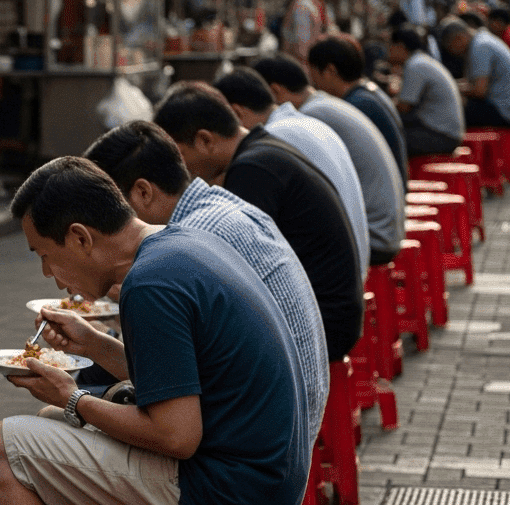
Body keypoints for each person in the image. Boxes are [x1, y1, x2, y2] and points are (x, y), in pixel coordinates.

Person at [0, 156, 308, 505]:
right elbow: (177, 378)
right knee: (51, 423)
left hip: (230, 493)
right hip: (269, 481)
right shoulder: (182, 243)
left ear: (80, 237)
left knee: (3, 447)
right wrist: (95, 344)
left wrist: (73, 397)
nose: (49, 274)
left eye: (45, 254)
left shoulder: (150, 283)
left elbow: (176, 435)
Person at [83, 121, 329, 450]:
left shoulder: (190, 239)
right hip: (285, 418)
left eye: (109, 212)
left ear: (143, 192)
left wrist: (73, 400)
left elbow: (178, 420)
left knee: (61, 419)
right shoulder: (218, 206)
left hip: (258, 444)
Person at [153, 81, 365, 364]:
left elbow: (231, 268)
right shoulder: (263, 150)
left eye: (180, 156)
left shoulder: (252, 170)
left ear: (205, 140)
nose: (182, 169)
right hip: (333, 314)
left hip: (325, 327)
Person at [253, 54, 407, 266]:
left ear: (275, 91)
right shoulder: (324, 104)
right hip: (387, 228)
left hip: (375, 237)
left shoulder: (310, 116)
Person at [214, 67, 370, 267]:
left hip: (335, 278)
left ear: (236, 112)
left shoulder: (272, 139)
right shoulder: (303, 123)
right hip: (354, 264)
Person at [306, 36, 410, 185]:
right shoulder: (370, 93)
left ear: (330, 71)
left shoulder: (355, 106)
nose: (314, 84)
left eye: (314, 75)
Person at [388, 24, 467, 154]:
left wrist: (383, 104)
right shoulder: (421, 61)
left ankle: (402, 175)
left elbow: (403, 107)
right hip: (446, 132)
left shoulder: (415, 65)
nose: (388, 50)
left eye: (391, 46)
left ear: (400, 47)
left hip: (442, 136)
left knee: (391, 140)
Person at [439, 19, 510, 127]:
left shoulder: (480, 47)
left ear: (459, 38)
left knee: (452, 105)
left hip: (505, 112)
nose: (452, 53)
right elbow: (472, 84)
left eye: (450, 47)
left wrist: (450, 88)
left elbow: (479, 91)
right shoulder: (481, 40)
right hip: (507, 109)